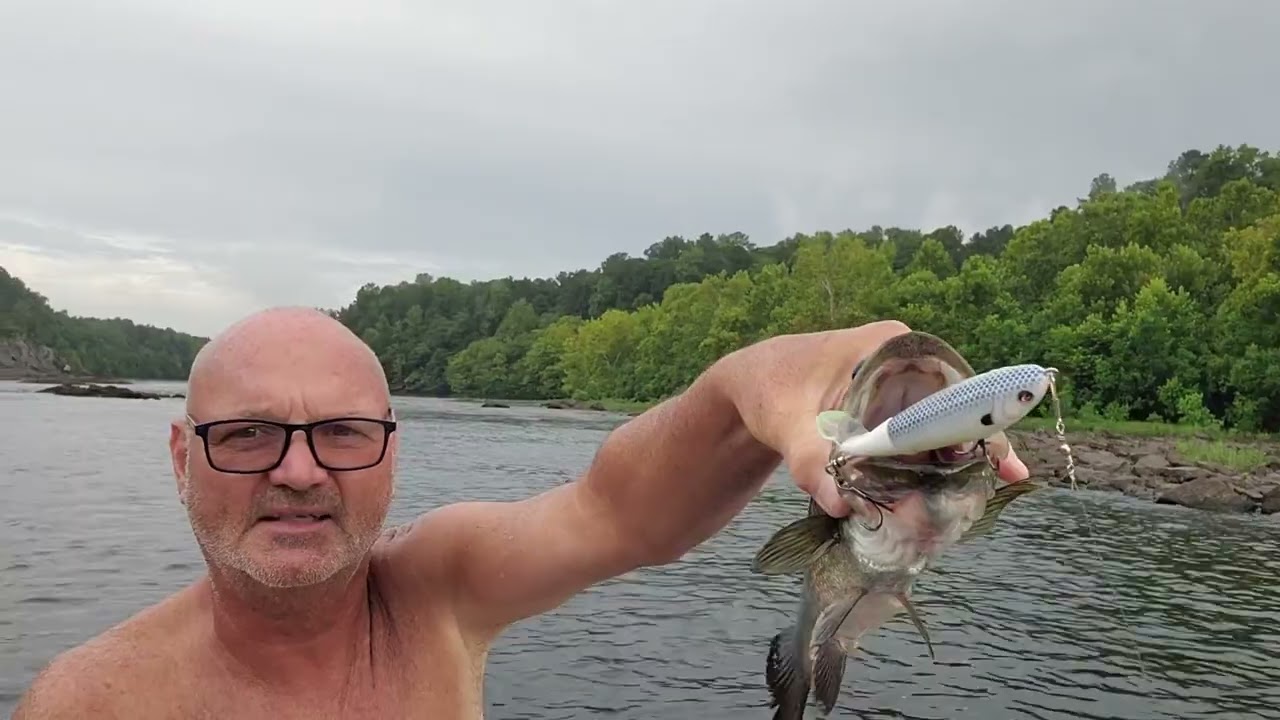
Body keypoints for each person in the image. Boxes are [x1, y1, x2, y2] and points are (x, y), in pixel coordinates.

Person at [12, 308, 1028, 719]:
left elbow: (625, 514)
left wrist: (740, 392)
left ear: (390, 456)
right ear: (182, 458)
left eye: (342, 435)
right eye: (246, 437)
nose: (299, 474)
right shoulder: (94, 700)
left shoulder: (438, 591)